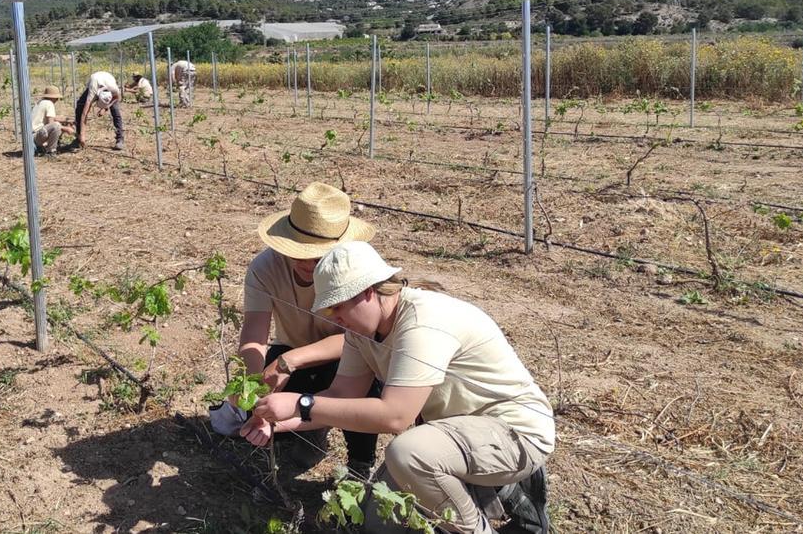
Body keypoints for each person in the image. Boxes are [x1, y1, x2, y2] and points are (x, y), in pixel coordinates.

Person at [242, 241, 554, 534]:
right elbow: (341, 397)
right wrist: (276, 420)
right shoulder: (361, 332)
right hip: (452, 435)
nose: (334, 318)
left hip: (514, 433)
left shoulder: (422, 321)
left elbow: (395, 416)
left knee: (407, 454)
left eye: (337, 307)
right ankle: (499, 490)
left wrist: (302, 403)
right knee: (378, 521)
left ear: (366, 292)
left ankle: (485, 514)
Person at [208, 182, 380, 475]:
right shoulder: (265, 268)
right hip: (292, 355)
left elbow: (361, 337)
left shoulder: (356, 268)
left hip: (345, 354)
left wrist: (289, 361)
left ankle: (360, 465)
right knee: (266, 408)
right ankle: (307, 433)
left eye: (315, 256)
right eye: (297, 251)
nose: (304, 262)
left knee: (364, 388)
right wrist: (254, 383)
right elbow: (254, 333)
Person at [66, 71, 124, 151]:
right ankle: (78, 138)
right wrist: (83, 135)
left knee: (116, 112)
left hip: (108, 80)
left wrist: (105, 108)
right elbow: (84, 113)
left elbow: (117, 97)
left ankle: (120, 139)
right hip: (95, 81)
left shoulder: (114, 90)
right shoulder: (92, 92)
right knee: (80, 107)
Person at [30, 85, 73, 156]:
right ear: (53, 97)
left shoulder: (41, 102)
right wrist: (66, 128)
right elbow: (52, 123)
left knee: (58, 124)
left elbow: (52, 118)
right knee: (56, 126)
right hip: (35, 136)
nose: (57, 100)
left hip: (31, 136)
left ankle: (49, 145)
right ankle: (51, 151)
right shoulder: (49, 104)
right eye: (57, 98)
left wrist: (67, 120)